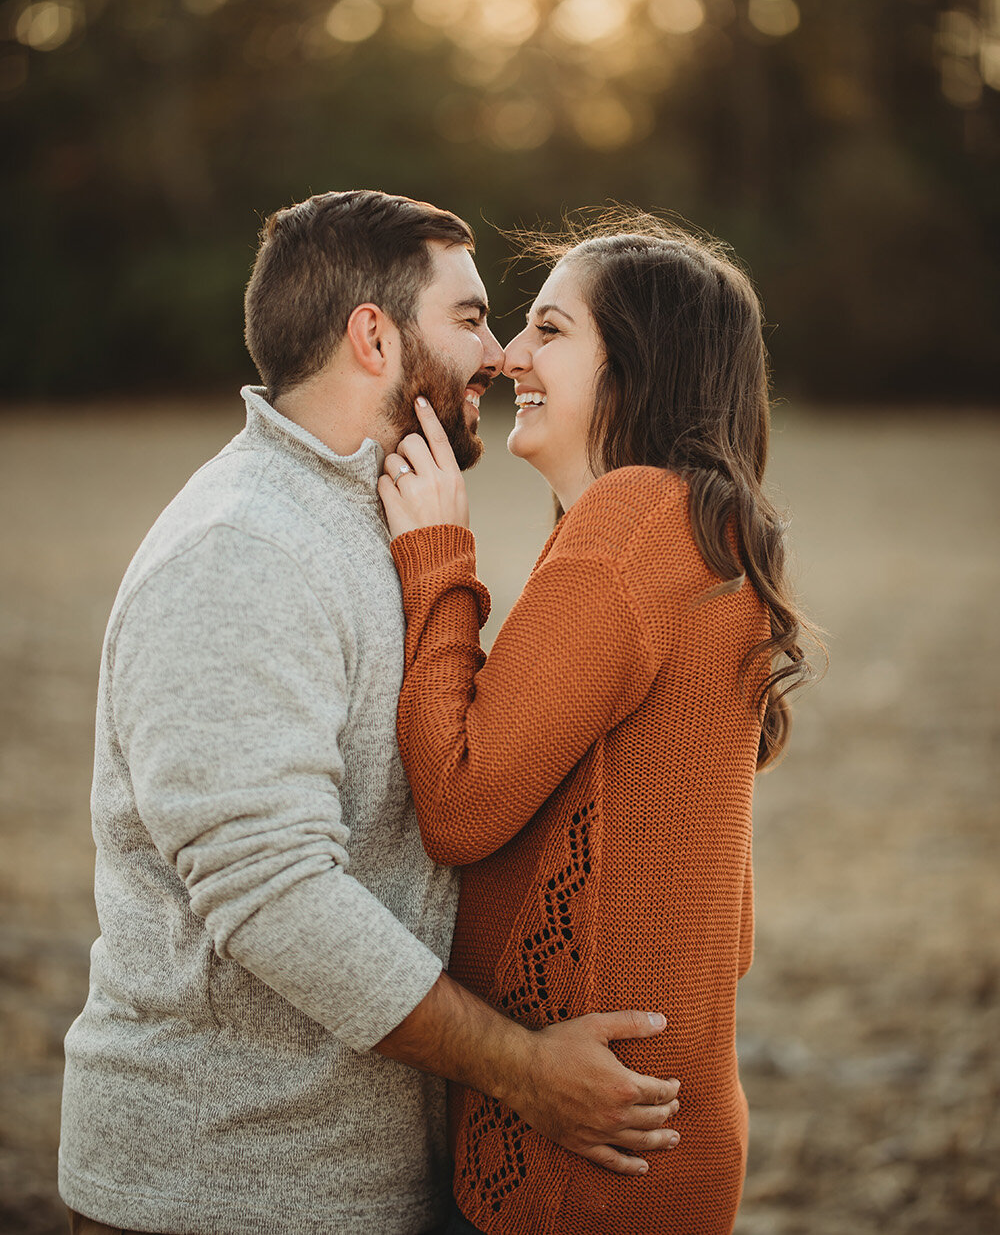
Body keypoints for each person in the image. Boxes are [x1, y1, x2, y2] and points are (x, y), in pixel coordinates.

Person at [58, 191, 682, 1235]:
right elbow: (273, 893)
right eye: (471, 317)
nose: (497, 352)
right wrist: (520, 1070)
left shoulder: (373, 512)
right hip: (223, 1191)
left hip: (358, 1180)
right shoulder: (243, 549)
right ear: (373, 334)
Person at [379, 211, 819, 1235]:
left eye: (549, 330)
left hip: (574, 1168)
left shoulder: (632, 524)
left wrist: (439, 558)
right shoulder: (707, 535)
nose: (507, 355)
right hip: (663, 1147)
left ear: (636, 360)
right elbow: (719, 917)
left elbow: (457, 803)